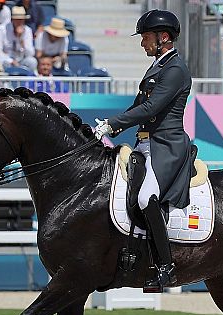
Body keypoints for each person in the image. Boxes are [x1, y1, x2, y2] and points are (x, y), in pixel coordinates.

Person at [93, 10, 192, 293]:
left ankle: (166, 267)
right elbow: (136, 109)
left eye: (146, 37)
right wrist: (104, 130)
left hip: (166, 147)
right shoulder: (156, 68)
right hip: (145, 144)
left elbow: (151, 109)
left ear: (163, 38)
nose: (142, 43)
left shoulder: (175, 69)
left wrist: (113, 125)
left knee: (147, 197)